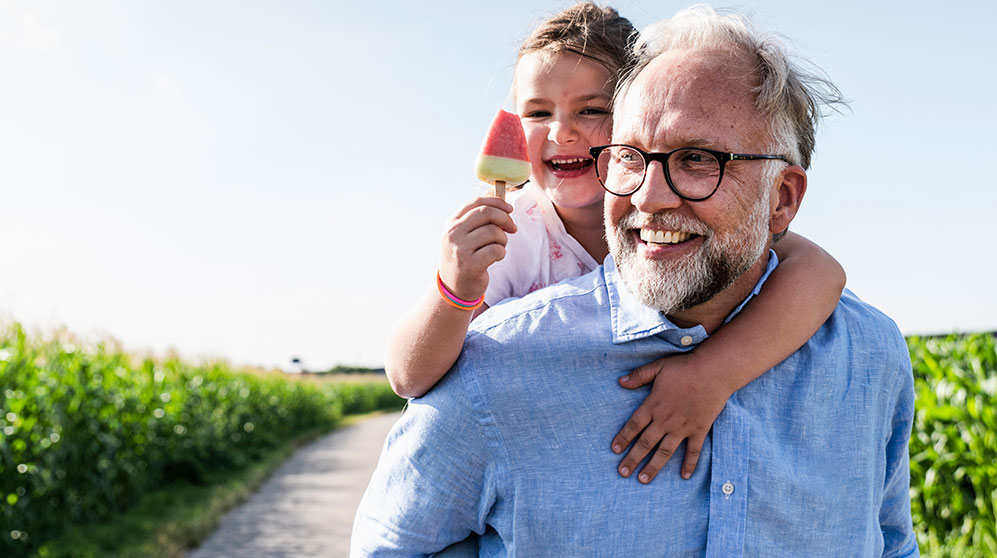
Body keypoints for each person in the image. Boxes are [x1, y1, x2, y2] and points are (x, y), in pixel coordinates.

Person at [353, 4, 919, 556]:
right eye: (631, 157)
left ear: (783, 199)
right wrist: (454, 289)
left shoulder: (869, 356)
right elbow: (407, 394)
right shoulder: (497, 350)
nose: (648, 197)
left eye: (697, 158)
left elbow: (890, 541)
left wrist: (712, 373)